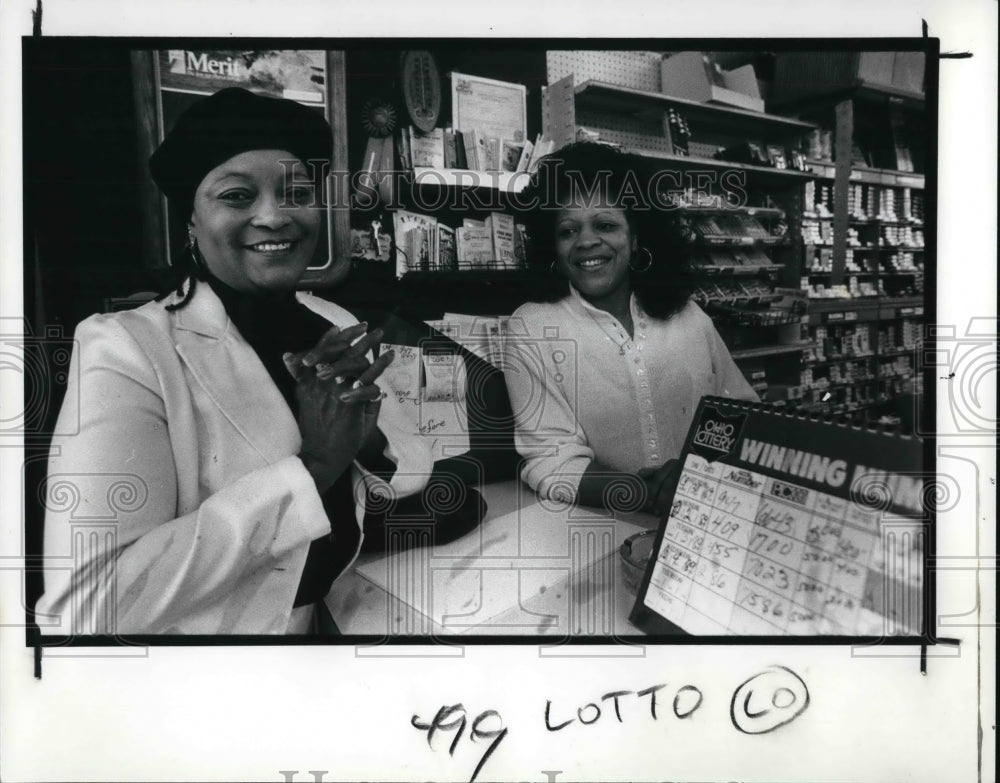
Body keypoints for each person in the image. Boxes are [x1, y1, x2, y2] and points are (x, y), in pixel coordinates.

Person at [35, 88, 433, 635]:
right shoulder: (127, 347)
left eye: (296, 192)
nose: (274, 216)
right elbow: (90, 604)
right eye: (237, 196)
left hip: (330, 629)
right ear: (192, 222)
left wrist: (360, 437)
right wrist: (314, 466)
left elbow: (413, 469)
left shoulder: (329, 319)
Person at [504, 142, 758, 517]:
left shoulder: (690, 317)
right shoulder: (532, 327)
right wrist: (644, 492)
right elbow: (552, 461)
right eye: (568, 231)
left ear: (637, 236)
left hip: (708, 522)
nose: (586, 241)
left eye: (605, 225)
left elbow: (743, 416)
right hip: (601, 533)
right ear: (552, 246)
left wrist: (698, 475)